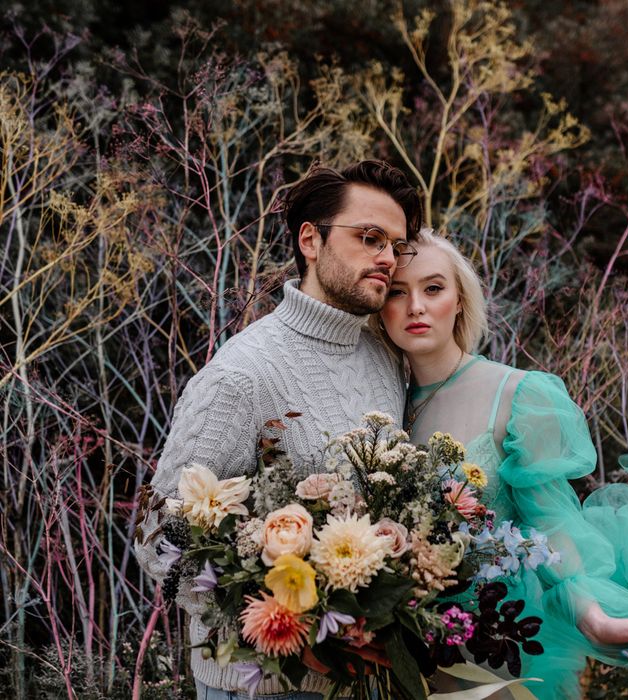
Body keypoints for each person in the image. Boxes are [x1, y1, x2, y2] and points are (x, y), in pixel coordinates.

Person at [379, 229, 628, 700]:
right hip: (389, 648)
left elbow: (551, 522)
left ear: (459, 301)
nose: (415, 305)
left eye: (433, 288)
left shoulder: (518, 396)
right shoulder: (374, 398)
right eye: (398, 292)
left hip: (491, 646)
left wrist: (593, 615)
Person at [134, 160, 422, 700]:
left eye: (397, 245)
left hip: (366, 681)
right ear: (310, 240)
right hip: (264, 685)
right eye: (369, 237)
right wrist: (291, 629)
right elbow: (157, 534)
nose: (387, 257)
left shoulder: (385, 356)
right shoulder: (242, 374)